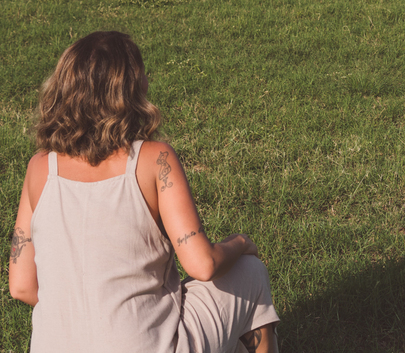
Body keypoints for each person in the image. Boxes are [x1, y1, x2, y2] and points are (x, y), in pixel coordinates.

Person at [7, 31, 280, 353]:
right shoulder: (154, 159)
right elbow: (202, 265)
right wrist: (241, 243)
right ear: (130, 89)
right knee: (249, 272)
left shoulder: (39, 167)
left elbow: (22, 287)